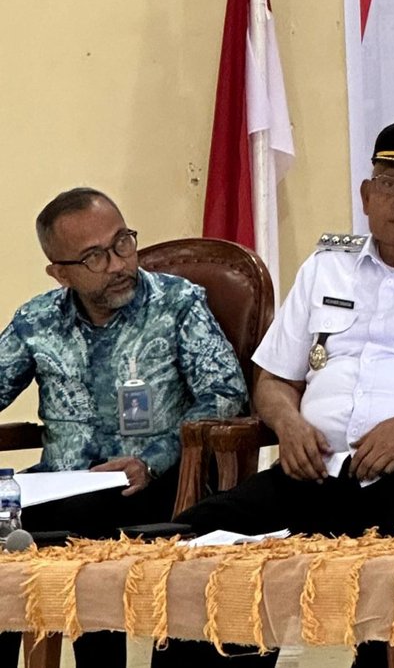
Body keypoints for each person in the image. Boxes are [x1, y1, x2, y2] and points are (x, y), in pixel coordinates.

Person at [157, 122, 394, 668]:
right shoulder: (327, 266)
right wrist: (288, 424)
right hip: (318, 469)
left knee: (390, 558)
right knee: (203, 538)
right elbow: (273, 378)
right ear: (366, 195)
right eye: (389, 184)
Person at [0, 188, 246, 668]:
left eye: (122, 243)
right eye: (95, 257)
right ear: (60, 273)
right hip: (61, 487)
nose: (117, 264)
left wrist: (151, 460)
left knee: (81, 527)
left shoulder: (177, 304)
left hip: (156, 485)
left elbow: (224, 393)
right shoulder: (37, 321)